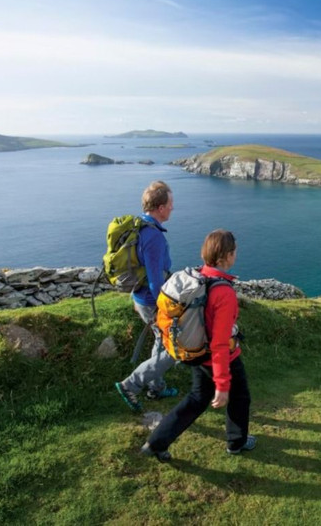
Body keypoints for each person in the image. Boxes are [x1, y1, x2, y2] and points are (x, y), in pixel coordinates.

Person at [140, 229, 255, 462]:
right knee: (240, 397)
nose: (235, 256)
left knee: (197, 398)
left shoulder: (198, 277)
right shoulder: (223, 292)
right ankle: (237, 442)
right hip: (220, 358)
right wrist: (222, 384)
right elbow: (221, 342)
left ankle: (156, 442)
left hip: (196, 352)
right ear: (226, 256)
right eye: (234, 252)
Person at [114, 181, 179, 412]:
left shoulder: (141, 228)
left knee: (160, 342)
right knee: (172, 350)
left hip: (141, 298)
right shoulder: (154, 237)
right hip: (153, 301)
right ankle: (131, 384)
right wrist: (164, 307)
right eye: (170, 204)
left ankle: (157, 388)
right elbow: (154, 279)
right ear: (160, 207)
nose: (172, 208)